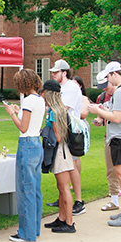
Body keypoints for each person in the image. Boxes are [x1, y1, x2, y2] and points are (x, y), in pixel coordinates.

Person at [90, 72, 121, 212]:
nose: (104, 89)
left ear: (112, 77)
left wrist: (98, 110)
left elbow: (117, 117)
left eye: (106, 84)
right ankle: (118, 203)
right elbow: (110, 115)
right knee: (114, 171)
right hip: (112, 137)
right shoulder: (104, 97)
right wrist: (100, 115)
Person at [4, 69, 45, 242]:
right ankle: (33, 229)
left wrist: (12, 113)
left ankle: (25, 233)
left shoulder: (29, 100)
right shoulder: (39, 99)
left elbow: (23, 127)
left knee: (25, 189)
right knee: (34, 189)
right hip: (37, 144)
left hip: (27, 144)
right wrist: (18, 110)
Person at [47, 59, 86, 215]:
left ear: (64, 72)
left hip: (70, 131)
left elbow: (63, 108)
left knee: (72, 166)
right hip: (64, 129)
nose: (53, 74)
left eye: (56, 72)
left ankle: (78, 201)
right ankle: (64, 197)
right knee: (67, 167)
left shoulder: (70, 87)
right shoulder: (63, 87)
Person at [41, 79, 77, 233]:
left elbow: (58, 136)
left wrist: (43, 132)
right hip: (62, 151)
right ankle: (62, 218)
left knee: (64, 188)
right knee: (61, 187)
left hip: (60, 152)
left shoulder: (54, 111)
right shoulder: (58, 109)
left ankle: (69, 222)